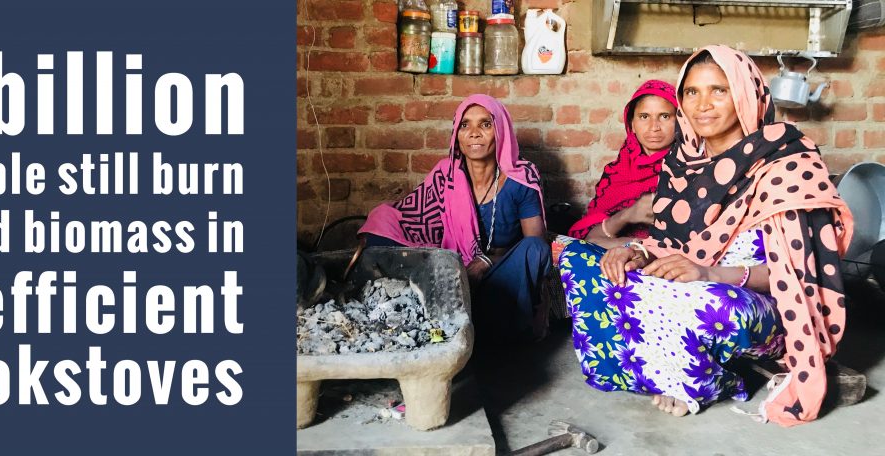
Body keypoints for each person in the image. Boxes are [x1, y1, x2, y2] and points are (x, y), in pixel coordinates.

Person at [555, 45, 852, 426]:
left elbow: (797, 275)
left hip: (754, 306)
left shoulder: (784, 163)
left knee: (698, 300)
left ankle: (710, 382)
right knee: (581, 260)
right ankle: (645, 371)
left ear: (744, 94)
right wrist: (637, 254)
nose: (702, 105)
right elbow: (669, 246)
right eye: (692, 92)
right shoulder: (682, 165)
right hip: (689, 286)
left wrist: (709, 274)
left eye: (718, 90)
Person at [360, 94, 551, 343]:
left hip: (501, 279)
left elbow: (535, 245)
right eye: (465, 125)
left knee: (535, 249)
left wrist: (486, 261)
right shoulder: (446, 176)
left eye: (485, 124)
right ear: (456, 135)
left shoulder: (520, 177)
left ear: (501, 131)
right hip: (453, 279)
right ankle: (451, 320)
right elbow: (409, 218)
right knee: (381, 222)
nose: (474, 133)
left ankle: (488, 329)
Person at [567, 80, 677, 249]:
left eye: (665, 116)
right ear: (632, 124)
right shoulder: (617, 172)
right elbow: (591, 236)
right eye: (644, 117)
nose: (654, 127)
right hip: (617, 252)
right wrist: (628, 215)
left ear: (679, 122)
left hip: (667, 258)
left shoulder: (690, 168)